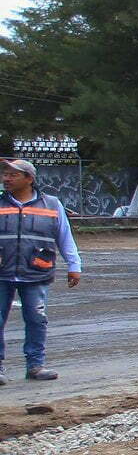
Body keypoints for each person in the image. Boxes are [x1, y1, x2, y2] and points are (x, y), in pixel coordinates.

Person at [0, 158, 83, 382]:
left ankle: (35, 366)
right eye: (5, 174)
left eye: (12, 175)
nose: (6, 178)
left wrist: (74, 266)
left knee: (36, 318)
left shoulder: (52, 204)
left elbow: (64, 237)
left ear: (29, 179)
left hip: (36, 272)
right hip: (2, 273)